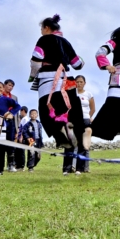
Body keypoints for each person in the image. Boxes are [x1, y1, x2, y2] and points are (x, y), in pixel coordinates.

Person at [29, 14, 85, 154]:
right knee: (69, 111)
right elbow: (77, 64)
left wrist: (33, 74)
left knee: (46, 112)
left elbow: (36, 59)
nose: (41, 32)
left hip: (49, 81)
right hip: (67, 82)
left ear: (47, 28)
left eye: (42, 29)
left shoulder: (44, 39)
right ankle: (69, 132)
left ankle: (60, 134)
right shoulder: (65, 42)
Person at [75, 75, 95, 173]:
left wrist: (89, 116)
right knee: (77, 143)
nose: (79, 84)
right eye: (77, 82)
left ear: (84, 83)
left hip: (86, 120)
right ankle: (75, 167)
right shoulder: (72, 93)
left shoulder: (88, 94)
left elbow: (93, 108)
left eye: (81, 82)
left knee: (84, 146)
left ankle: (81, 168)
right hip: (76, 120)